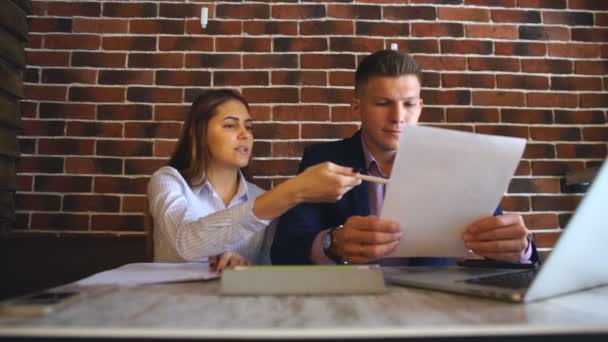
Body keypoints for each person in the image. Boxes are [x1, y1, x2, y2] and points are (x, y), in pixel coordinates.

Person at [271, 50, 539, 266]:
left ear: (420, 108)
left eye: (409, 104)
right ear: (357, 106)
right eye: (383, 103)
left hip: (437, 311)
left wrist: (521, 249)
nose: (398, 117)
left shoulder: (455, 163)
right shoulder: (323, 159)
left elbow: (502, 242)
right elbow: (284, 250)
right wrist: (332, 243)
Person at [147, 89, 362, 271]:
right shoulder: (168, 181)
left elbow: (271, 271)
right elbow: (186, 242)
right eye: (231, 125)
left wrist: (246, 268)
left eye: (248, 127)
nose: (245, 134)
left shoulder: (261, 198)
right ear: (199, 132)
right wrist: (293, 191)